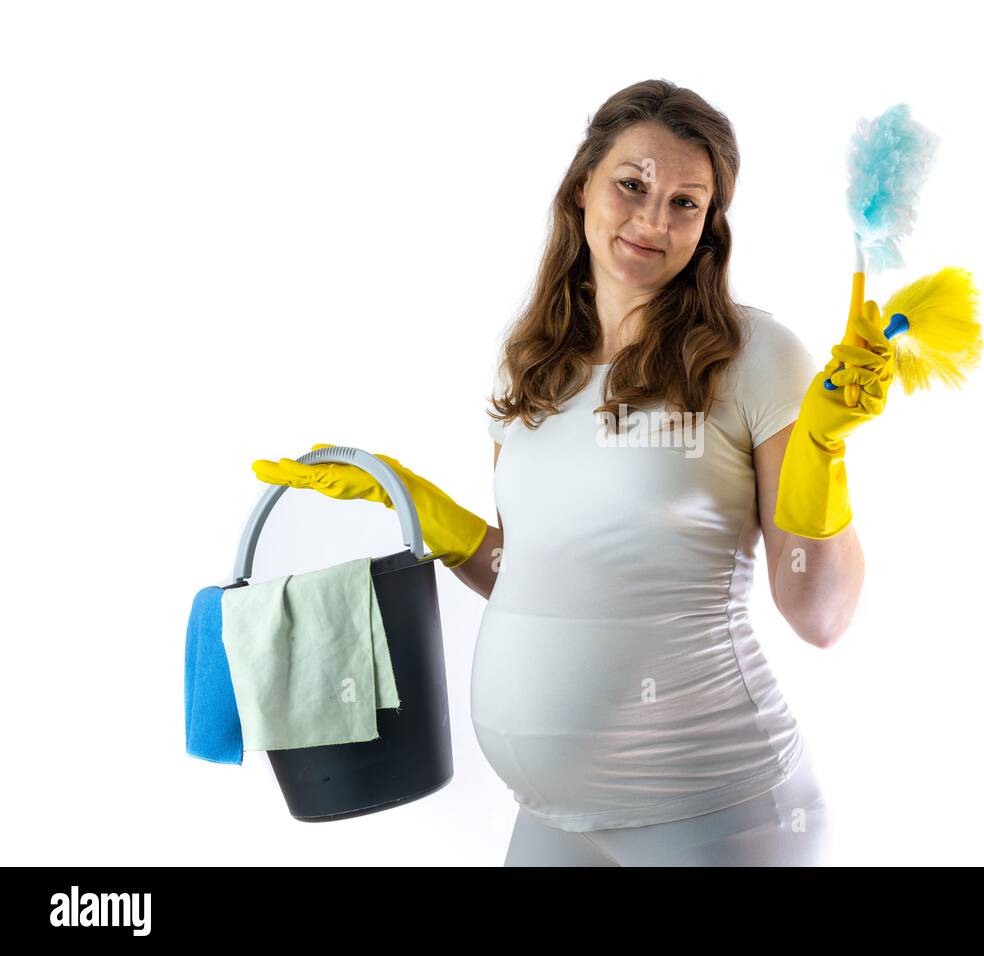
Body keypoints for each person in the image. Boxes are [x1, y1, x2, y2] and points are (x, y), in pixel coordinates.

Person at [252, 79, 894, 866]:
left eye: (687, 203)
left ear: (711, 225)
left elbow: (819, 616)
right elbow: (539, 576)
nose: (655, 221)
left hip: (717, 814)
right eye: (633, 185)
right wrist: (433, 516)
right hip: (550, 820)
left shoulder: (757, 358)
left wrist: (822, 451)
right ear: (582, 184)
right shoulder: (527, 362)